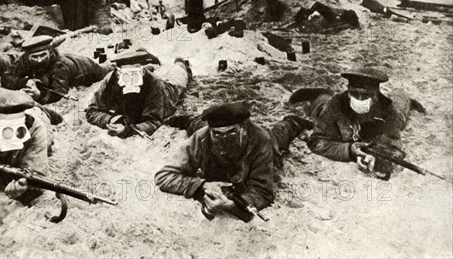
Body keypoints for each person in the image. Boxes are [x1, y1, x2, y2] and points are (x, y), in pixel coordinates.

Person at [155, 103, 313, 220]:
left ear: (244, 128)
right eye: (217, 134)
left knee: (278, 140)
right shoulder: (202, 136)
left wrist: (233, 206)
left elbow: (263, 191)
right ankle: (189, 119)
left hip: (266, 142)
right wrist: (202, 185)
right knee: (196, 125)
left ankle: (293, 122)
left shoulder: (260, 139)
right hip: (203, 131)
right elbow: (164, 176)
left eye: (231, 133)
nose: (223, 140)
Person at [289, 67, 425, 180]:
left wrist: (376, 160)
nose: (359, 99)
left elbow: (395, 151)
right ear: (348, 89)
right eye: (354, 93)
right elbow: (317, 142)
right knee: (321, 108)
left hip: (394, 110)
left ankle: (405, 97)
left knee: (400, 109)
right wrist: (350, 151)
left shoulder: (388, 111)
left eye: (366, 95)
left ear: (377, 94)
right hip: (327, 108)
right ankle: (321, 93)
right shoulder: (337, 104)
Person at [86, 51, 191, 138]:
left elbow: (154, 121)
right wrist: (111, 120)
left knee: (177, 78)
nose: (131, 80)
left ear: (142, 72)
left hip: (167, 93)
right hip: (132, 110)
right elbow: (92, 111)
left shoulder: (153, 83)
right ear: (118, 74)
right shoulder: (110, 81)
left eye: (135, 74)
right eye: (126, 75)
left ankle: (181, 64)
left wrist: (128, 130)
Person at [1, 35, 113, 104]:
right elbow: (5, 78)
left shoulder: (61, 66)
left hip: (84, 68)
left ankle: (110, 63)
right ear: (27, 56)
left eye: (43, 55)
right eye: (34, 57)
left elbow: (58, 93)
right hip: (69, 61)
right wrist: (25, 82)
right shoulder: (23, 59)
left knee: (105, 69)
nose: (39, 60)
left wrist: (39, 95)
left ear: (50, 52)